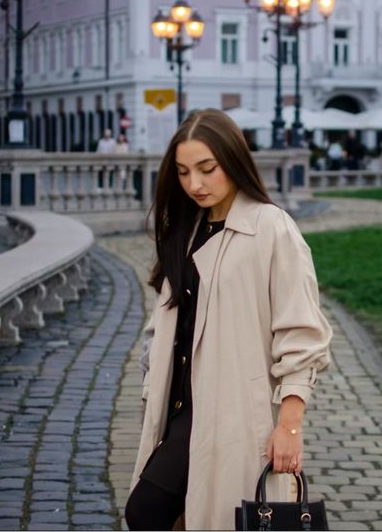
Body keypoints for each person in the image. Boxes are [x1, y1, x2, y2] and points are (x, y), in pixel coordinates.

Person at [125, 109, 332, 531]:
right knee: (165, 512)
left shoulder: (271, 228)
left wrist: (289, 427)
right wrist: (152, 382)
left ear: (233, 160)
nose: (194, 184)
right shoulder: (187, 225)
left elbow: (301, 330)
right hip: (179, 406)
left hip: (235, 410)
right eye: (183, 172)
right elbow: (166, 321)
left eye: (207, 169)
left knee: (155, 512)